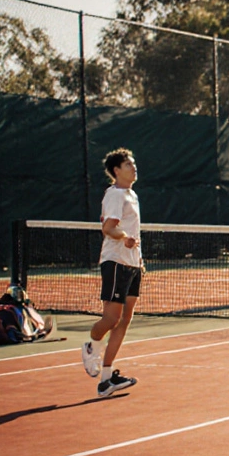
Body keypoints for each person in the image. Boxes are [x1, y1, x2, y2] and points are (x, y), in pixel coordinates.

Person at [80, 148, 142, 397]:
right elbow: (108, 228)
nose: (134, 167)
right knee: (112, 319)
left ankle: (106, 379)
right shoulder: (116, 194)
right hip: (116, 261)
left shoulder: (131, 194)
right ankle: (91, 345)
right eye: (128, 164)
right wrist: (125, 238)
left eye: (134, 163)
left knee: (125, 320)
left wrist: (138, 259)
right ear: (117, 170)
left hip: (133, 263)